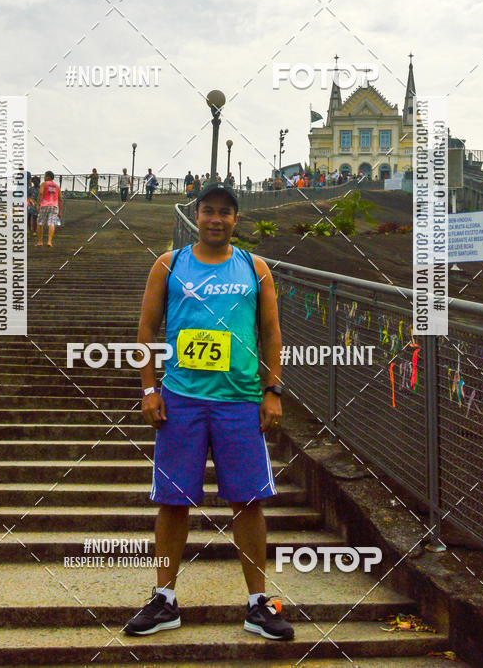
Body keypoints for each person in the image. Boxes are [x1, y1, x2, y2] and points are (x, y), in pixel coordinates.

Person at [124, 181, 294, 642]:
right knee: (172, 501)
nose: (216, 219)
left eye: (225, 212)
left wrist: (272, 390)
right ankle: (164, 599)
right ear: (195, 216)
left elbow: (272, 331)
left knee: (248, 500)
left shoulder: (255, 268)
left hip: (238, 400)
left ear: (236, 220)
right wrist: (148, 389)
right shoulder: (170, 264)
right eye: (208, 211)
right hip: (181, 399)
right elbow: (146, 326)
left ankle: (259, 603)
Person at [36, 171, 62, 247]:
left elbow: (41, 193)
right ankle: (49, 241)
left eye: (45, 176)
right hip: (54, 206)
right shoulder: (57, 186)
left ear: (48, 177)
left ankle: (40, 241)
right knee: (51, 223)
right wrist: (60, 211)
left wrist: (38, 204)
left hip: (45, 205)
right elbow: (60, 199)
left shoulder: (44, 184)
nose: (44, 177)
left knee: (40, 223)